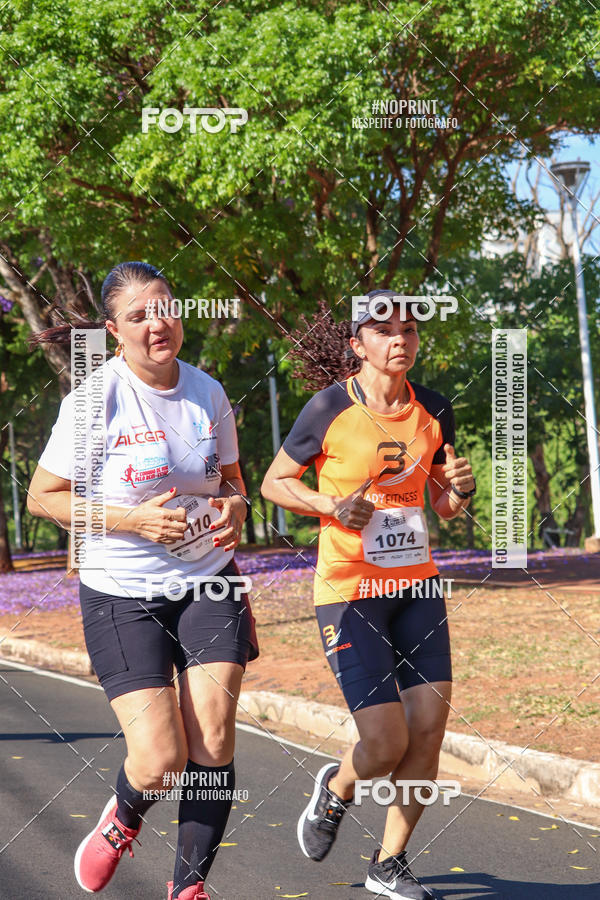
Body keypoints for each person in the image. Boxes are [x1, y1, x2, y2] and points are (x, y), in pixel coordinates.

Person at [27, 262, 257, 900]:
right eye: (138, 316)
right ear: (113, 330)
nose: (157, 325)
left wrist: (236, 506)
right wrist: (129, 520)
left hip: (209, 581)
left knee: (211, 739)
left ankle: (189, 889)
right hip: (122, 593)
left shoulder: (208, 393)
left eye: (165, 308)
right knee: (161, 761)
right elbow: (43, 497)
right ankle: (125, 815)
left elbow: (233, 481)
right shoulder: (93, 401)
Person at [261, 290, 475, 900]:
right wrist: (332, 504)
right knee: (384, 743)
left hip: (417, 587)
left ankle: (389, 863)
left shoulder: (433, 409)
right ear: (358, 345)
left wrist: (462, 488)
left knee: (429, 728)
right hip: (350, 590)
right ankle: (336, 789)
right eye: (384, 332)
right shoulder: (328, 407)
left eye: (408, 329)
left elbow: (443, 504)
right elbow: (276, 482)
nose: (400, 340)